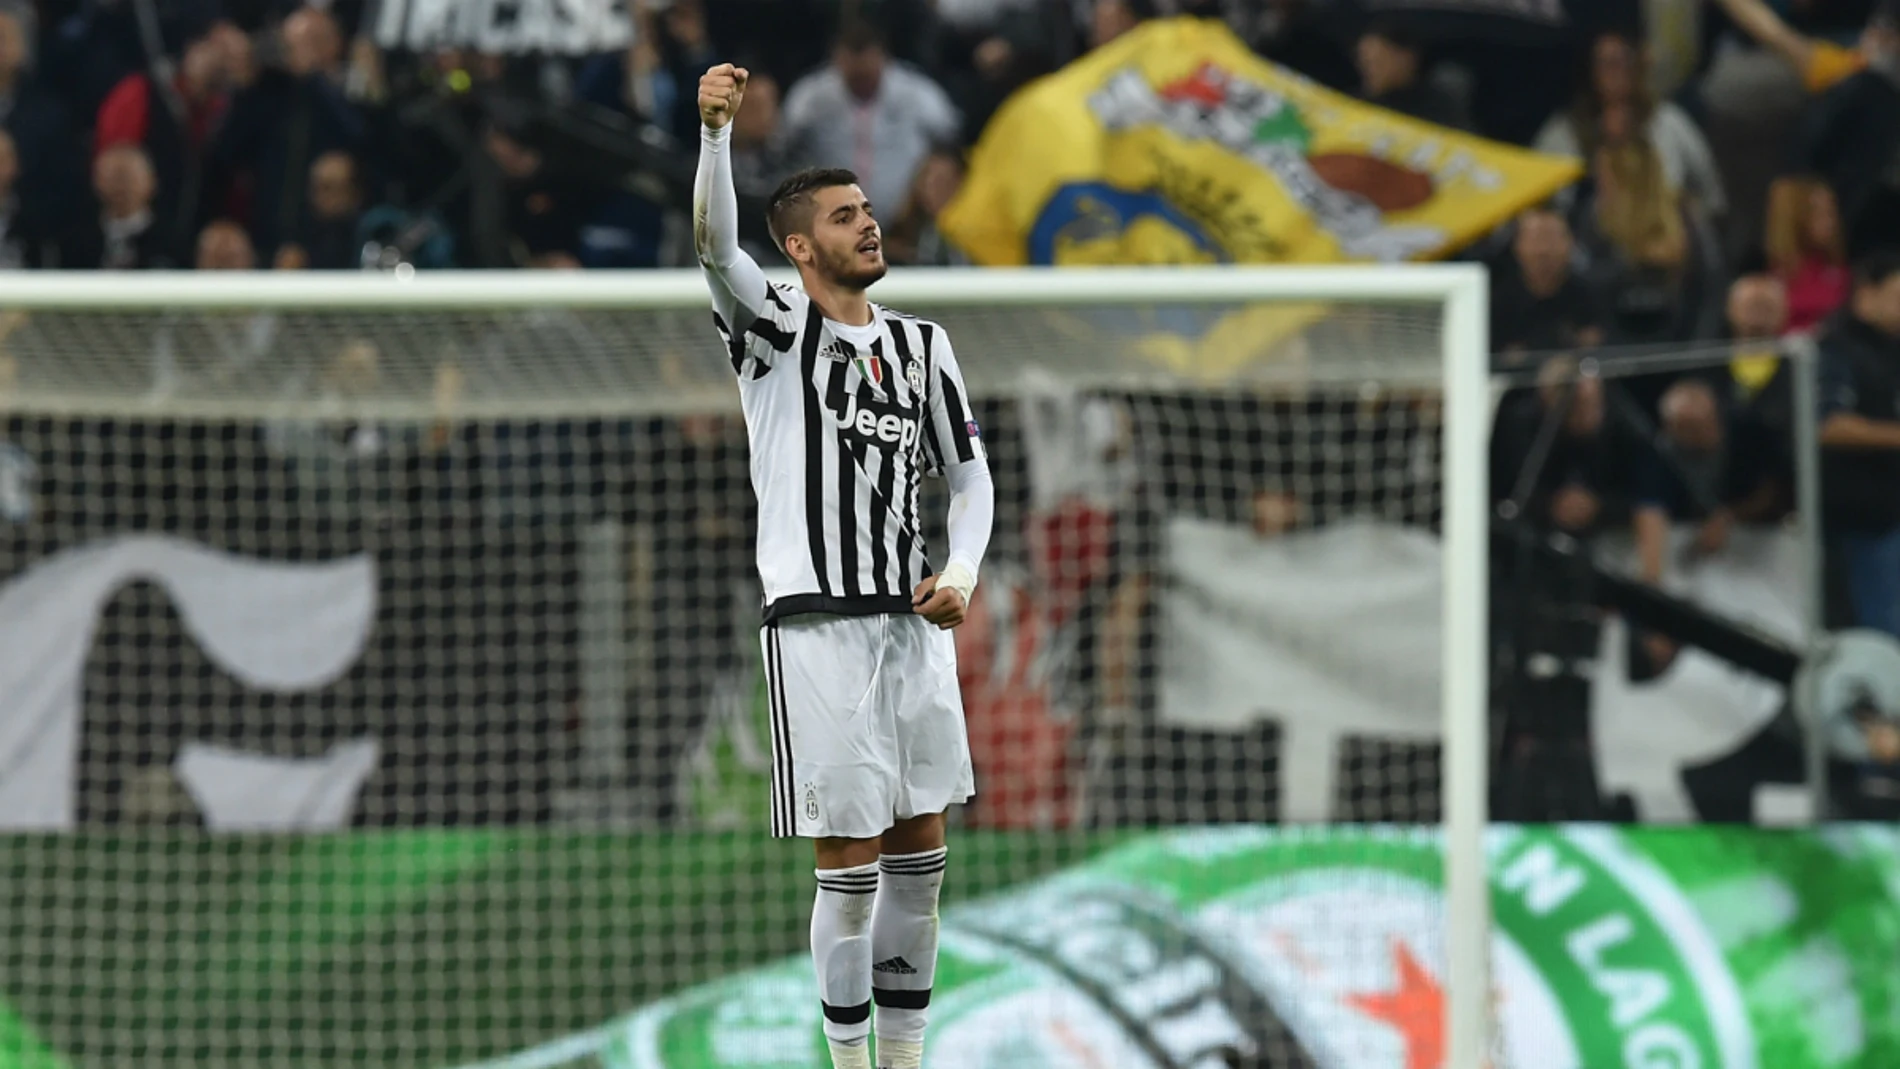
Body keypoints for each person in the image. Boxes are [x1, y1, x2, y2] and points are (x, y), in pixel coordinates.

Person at [695, 63, 995, 1069]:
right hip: (817, 627)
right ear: (797, 244)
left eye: (867, 208)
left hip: (913, 626)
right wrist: (714, 136)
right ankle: (846, 1061)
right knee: (850, 867)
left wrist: (962, 571)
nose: (868, 223)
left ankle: (905, 1058)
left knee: (923, 860)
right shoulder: (774, 328)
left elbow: (972, 478)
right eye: (842, 214)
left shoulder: (922, 344)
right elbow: (709, 245)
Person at [1816, 250, 1900, 638]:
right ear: (1867, 291)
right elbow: (1828, 424)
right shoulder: (1835, 346)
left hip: (1891, 516)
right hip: (1861, 523)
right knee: (1882, 640)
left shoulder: (1891, 349)